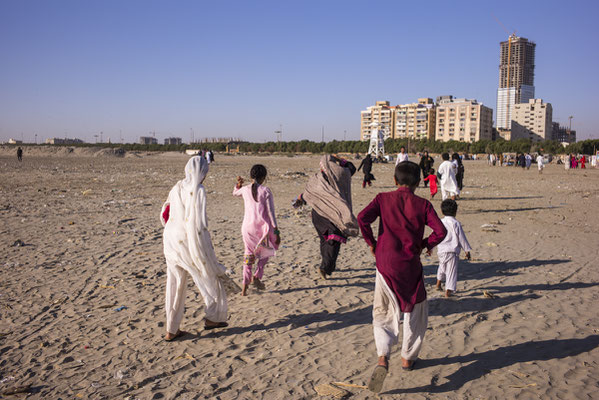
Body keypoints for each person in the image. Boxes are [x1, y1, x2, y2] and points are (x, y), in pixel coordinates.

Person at [357, 161, 447, 393]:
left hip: (384, 263)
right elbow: (441, 231)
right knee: (414, 310)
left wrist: (372, 244)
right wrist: (426, 244)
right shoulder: (423, 204)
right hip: (409, 264)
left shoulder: (382, 199)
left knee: (383, 311)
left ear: (395, 181)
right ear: (418, 183)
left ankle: (382, 357)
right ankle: (407, 358)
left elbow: (362, 218)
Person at [160, 156, 229, 341]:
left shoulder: (177, 187)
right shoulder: (198, 190)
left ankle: (171, 330)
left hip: (170, 239)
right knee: (208, 276)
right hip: (187, 240)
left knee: (174, 284)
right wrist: (204, 245)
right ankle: (212, 318)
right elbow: (199, 223)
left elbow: (164, 211)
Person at [293, 155, 358, 279]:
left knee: (327, 240)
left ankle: (327, 265)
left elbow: (307, 194)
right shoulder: (340, 175)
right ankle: (325, 267)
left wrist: (300, 199)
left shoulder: (317, 178)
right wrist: (340, 160)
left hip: (321, 215)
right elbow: (352, 168)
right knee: (333, 239)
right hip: (332, 214)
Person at [233, 165, 280, 296]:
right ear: (264, 177)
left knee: (248, 256)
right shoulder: (265, 190)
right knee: (268, 251)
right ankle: (257, 276)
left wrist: (238, 184)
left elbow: (235, 193)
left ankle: (244, 288)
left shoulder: (245, 189)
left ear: (250, 176)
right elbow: (271, 213)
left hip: (247, 228)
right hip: (262, 229)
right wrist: (276, 230)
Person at [434, 199, 472, 298]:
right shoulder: (456, 223)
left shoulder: (440, 222)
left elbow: (435, 235)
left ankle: (438, 284)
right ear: (455, 211)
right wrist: (467, 250)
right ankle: (448, 292)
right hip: (452, 251)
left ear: (442, 211)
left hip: (441, 250)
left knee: (442, 267)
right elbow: (462, 238)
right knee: (451, 271)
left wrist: (430, 247)